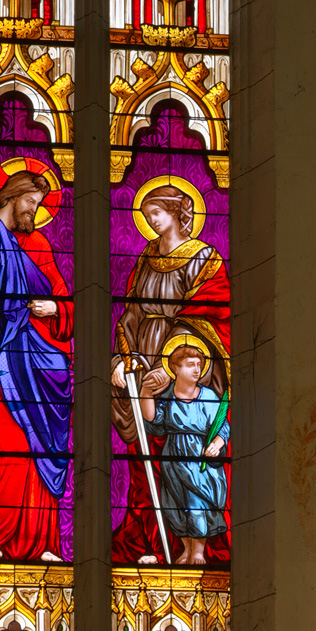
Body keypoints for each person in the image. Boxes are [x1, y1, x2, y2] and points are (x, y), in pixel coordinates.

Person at [0, 139, 73, 561]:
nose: (35, 212)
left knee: (37, 443)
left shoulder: (39, 245)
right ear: (14, 196)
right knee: (3, 439)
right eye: (31, 202)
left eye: (40, 205)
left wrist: (53, 307)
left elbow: (63, 299)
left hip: (37, 355)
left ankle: (40, 542)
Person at [110, 181, 228, 564]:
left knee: (185, 457)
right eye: (146, 217)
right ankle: (149, 538)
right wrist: (124, 360)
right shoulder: (146, 258)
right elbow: (129, 315)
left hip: (183, 364)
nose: (152, 221)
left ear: (177, 213)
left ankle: (192, 545)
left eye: (156, 213)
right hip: (144, 364)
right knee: (145, 457)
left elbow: (211, 311)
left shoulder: (204, 257)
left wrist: (168, 365)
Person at [142, 335, 229, 567]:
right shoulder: (168, 397)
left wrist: (216, 444)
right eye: (190, 364)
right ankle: (186, 548)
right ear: (176, 368)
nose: (197, 369)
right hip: (173, 458)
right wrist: (146, 393)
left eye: (199, 365)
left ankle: (199, 551)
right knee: (176, 503)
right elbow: (153, 420)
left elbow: (223, 427)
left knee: (197, 503)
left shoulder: (209, 397)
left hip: (200, 460)